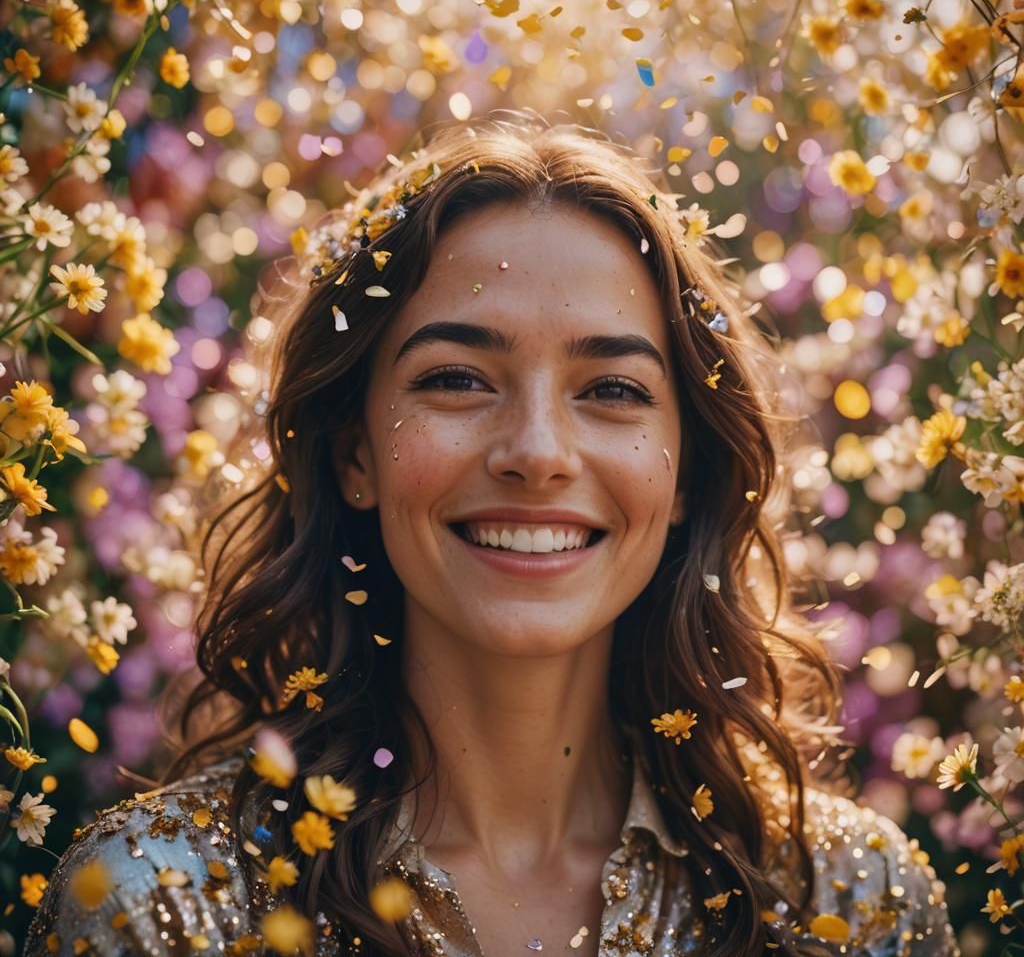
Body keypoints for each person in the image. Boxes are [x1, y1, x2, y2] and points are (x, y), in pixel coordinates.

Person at [24, 116, 960, 957]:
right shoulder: (165, 907)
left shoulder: (854, 902)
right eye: (458, 380)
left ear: (686, 475)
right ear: (355, 453)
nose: (538, 454)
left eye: (614, 390)